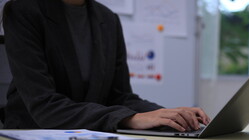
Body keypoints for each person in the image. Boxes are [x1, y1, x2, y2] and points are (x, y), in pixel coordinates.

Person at [1, 0, 210, 132]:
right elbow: (44, 106)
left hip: (89, 139)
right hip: (31, 137)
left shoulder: (107, 19)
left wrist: (167, 115)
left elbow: (120, 97)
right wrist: (129, 119)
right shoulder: (23, 10)